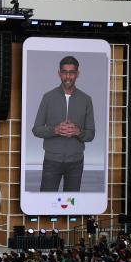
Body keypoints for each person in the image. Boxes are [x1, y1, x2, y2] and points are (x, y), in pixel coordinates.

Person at [32, 55, 95, 192]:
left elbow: (91, 134)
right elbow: (36, 129)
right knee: (46, 203)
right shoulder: (48, 97)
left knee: (72, 205)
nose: (68, 77)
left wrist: (78, 132)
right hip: (51, 161)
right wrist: (55, 130)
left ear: (77, 74)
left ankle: (70, 215)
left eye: (71, 73)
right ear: (59, 73)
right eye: (64, 72)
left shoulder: (86, 100)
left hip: (76, 162)